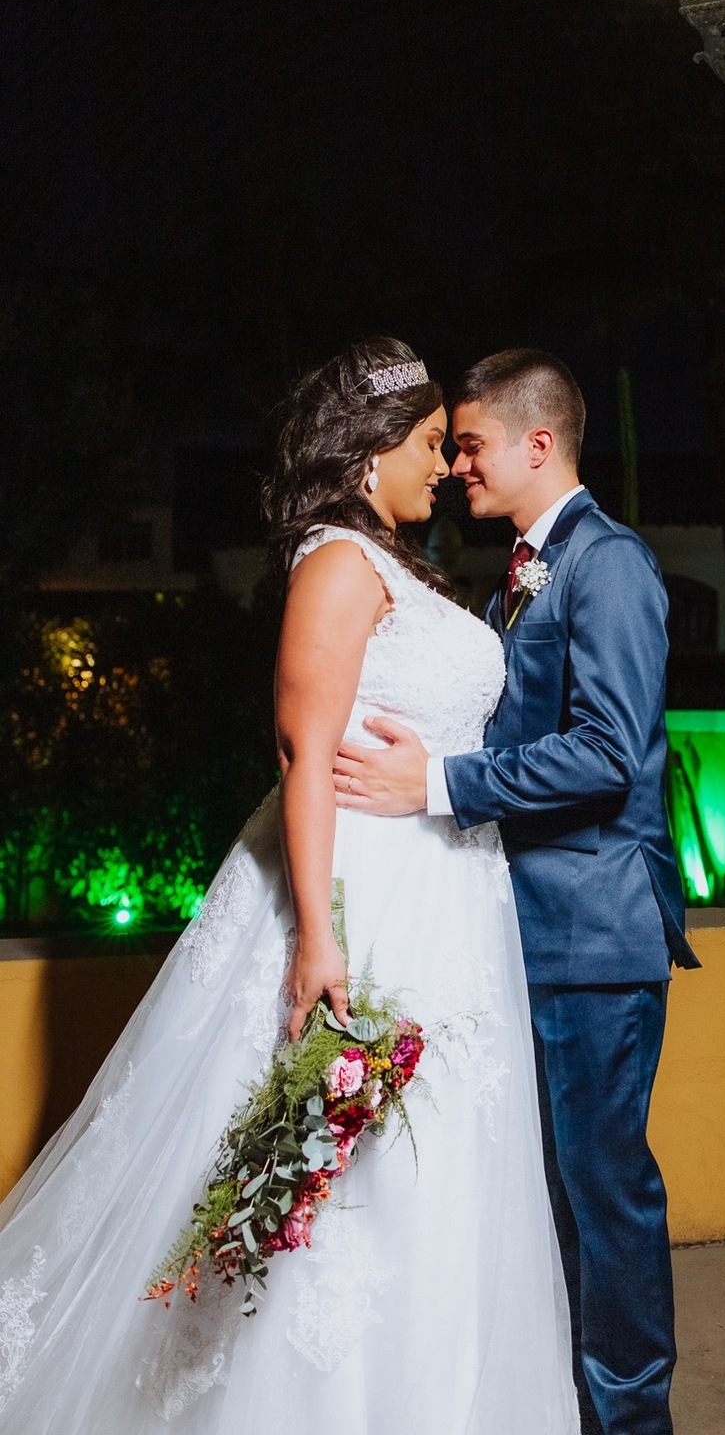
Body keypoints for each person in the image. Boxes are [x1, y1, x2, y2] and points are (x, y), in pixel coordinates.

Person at [0, 338, 579, 1435]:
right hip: (369, 901)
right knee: (344, 1187)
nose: (445, 468)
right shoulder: (335, 562)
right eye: (424, 447)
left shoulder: (399, 563)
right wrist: (319, 938)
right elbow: (305, 752)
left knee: (437, 1187)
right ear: (367, 455)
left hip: (451, 906)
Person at [333, 348, 699, 1435]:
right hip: (526, 931)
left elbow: (607, 755)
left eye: (473, 444)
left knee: (603, 1196)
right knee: (547, 1200)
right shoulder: (526, 569)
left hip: (593, 935)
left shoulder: (609, 564)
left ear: (540, 445)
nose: (457, 465)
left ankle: (632, 1425)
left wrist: (437, 782)